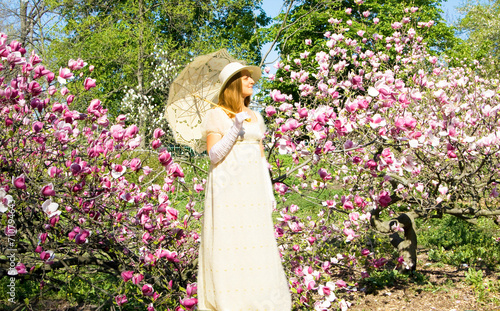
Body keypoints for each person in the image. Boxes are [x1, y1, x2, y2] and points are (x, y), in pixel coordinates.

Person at [197, 62, 292, 310]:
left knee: (256, 241)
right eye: (246, 78)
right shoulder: (216, 114)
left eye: (251, 78)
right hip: (228, 188)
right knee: (231, 241)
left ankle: (256, 302)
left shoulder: (256, 116)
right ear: (233, 84)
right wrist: (234, 129)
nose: (252, 81)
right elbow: (214, 155)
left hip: (253, 189)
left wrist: (268, 189)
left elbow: (261, 158)